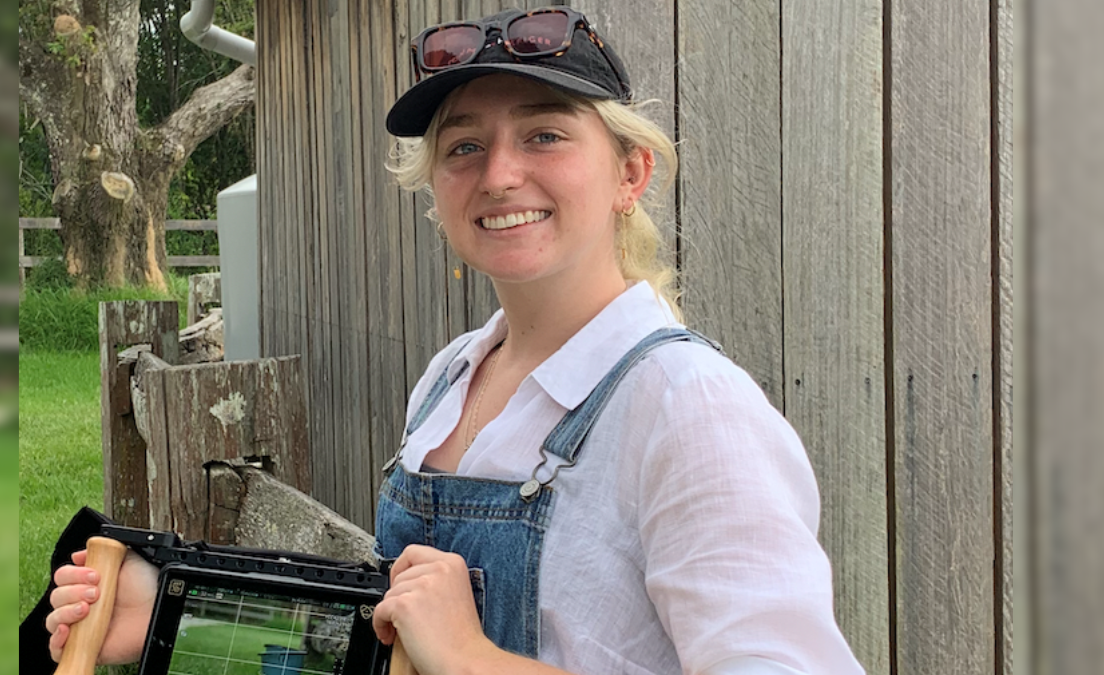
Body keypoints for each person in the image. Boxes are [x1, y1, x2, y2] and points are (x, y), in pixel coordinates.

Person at [46, 7, 864, 675]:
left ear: (630, 173)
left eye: (544, 134)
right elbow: (391, 636)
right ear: (435, 187)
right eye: (464, 146)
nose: (500, 173)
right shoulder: (452, 376)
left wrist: (473, 659)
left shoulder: (691, 407)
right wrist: (182, 611)